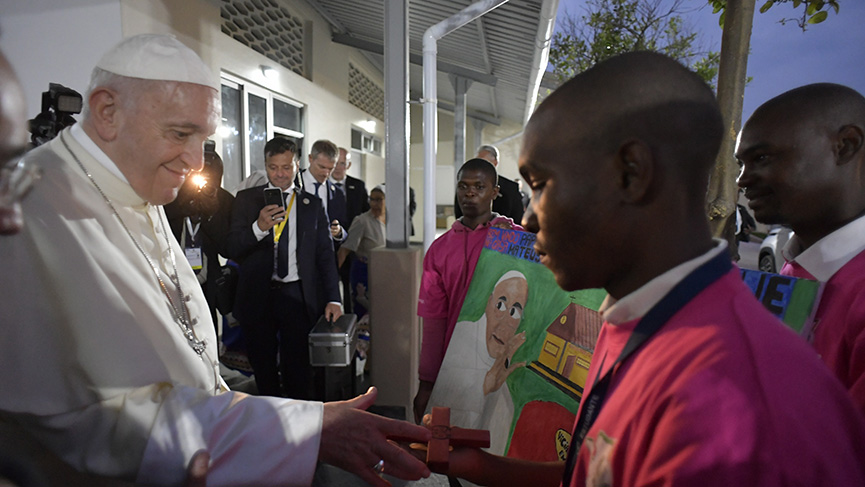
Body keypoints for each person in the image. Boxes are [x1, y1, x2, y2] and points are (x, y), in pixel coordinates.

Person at [0, 34, 430, 487]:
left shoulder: (137, 184)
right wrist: (302, 433)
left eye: (203, 138)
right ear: (108, 111)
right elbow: (83, 424)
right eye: (181, 134)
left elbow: (191, 369)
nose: (193, 160)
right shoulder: (31, 211)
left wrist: (305, 418)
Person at [422, 52, 865, 486]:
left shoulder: (734, 405)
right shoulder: (630, 321)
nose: (528, 219)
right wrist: (482, 468)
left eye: (541, 186)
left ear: (632, 173)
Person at [736, 83, 865, 415]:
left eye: (761, 157)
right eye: (741, 163)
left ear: (846, 146)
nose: (742, 180)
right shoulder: (797, 267)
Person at [228, 136, 343, 400]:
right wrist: (258, 228)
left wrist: (334, 298)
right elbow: (232, 247)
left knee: (298, 370)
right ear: (265, 166)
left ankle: (299, 426)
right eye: (273, 168)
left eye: (286, 167)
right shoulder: (246, 201)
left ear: (298, 164)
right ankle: (269, 426)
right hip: (258, 296)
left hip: (297, 296)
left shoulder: (312, 205)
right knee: (263, 369)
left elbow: (325, 255)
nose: (280, 174)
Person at [413, 158, 523, 423]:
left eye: (479, 186)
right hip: (454, 368)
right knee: (448, 448)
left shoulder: (515, 241)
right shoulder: (439, 250)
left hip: (499, 369)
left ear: (495, 192)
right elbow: (433, 321)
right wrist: (427, 382)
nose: (470, 193)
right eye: (463, 186)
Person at [426, 270, 528, 455]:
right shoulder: (460, 338)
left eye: (514, 312)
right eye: (500, 305)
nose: (504, 323)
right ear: (489, 304)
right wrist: (482, 386)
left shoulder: (506, 403)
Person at [164, 148, 234, 334]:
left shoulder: (224, 201)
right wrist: (183, 205)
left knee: (205, 331)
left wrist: (211, 213)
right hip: (170, 275)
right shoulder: (168, 194)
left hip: (207, 281)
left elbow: (227, 248)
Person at [337, 185, 386, 318]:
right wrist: (333, 280)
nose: (374, 204)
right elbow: (345, 250)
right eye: (372, 199)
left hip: (386, 272)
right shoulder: (362, 221)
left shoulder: (394, 222)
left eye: (379, 200)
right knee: (365, 314)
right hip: (364, 272)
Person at [332, 147, 369, 313]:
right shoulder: (320, 186)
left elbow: (365, 213)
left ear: (348, 165)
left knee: (351, 287)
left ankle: (349, 317)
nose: (338, 167)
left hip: (352, 246)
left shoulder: (358, 186)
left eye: (342, 163)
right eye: (335, 163)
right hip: (328, 244)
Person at [454, 145, 524, 223]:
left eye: (480, 187)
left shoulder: (511, 188)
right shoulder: (464, 188)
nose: (470, 193)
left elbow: (518, 219)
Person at [300, 139, 346, 243]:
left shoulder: (337, 193)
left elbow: (344, 228)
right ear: (310, 158)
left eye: (331, 169)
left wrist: (339, 232)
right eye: (322, 167)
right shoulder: (292, 184)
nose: (326, 173)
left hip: (325, 255)